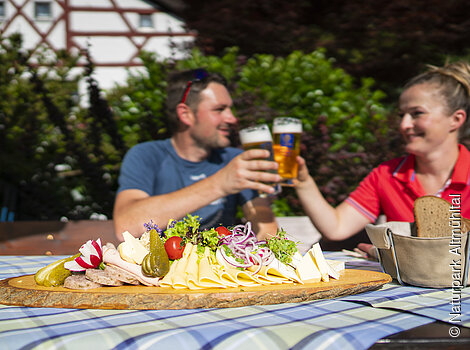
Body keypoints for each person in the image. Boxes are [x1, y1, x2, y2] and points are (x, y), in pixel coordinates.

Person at [294, 61, 470, 248]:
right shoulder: (386, 175)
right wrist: (303, 181)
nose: (404, 125)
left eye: (417, 113)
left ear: (456, 119)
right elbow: (337, 227)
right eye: (401, 115)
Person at [113, 69, 280, 241]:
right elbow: (126, 227)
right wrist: (220, 184)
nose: (232, 118)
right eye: (219, 109)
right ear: (185, 114)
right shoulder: (146, 155)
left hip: (220, 266)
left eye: (230, 109)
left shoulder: (234, 160)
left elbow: (269, 233)